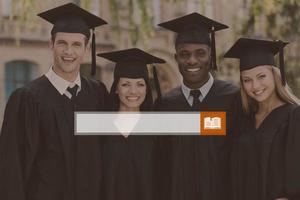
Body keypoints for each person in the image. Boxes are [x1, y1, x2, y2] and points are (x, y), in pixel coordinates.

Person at [0, 3, 108, 200]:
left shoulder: (97, 94)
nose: (69, 51)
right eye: (62, 43)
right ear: (51, 44)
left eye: (76, 44)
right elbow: (11, 171)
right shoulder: (27, 99)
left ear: (86, 48)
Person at [155, 13, 239, 200]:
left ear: (211, 55)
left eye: (200, 53)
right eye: (184, 54)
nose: (192, 60)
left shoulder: (232, 99)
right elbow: (160, 162)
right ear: (176, 57)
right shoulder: (166, 104)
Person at [224, 37, 300, 200]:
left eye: (261, 76)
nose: (255, 86)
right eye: (247, 80)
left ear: (275, 75)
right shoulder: (242, 118)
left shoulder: (294, 116)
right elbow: (204, 125)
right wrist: (160, 122)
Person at [97, 48, 166, 200]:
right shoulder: (101, 130)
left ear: (147, 89)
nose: (133, 91)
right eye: (126, 84)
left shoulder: (156, 131)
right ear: (116, 88)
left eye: (140, 84)